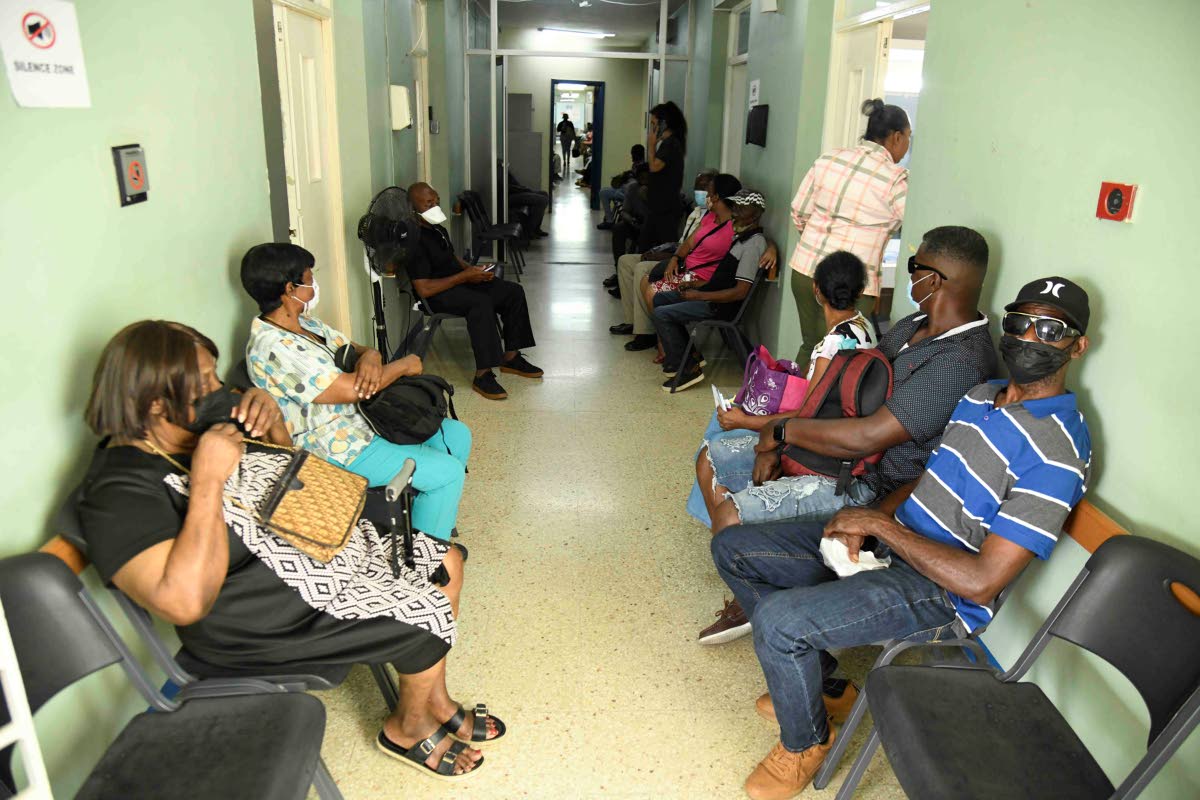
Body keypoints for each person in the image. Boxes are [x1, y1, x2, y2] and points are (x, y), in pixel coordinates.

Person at [712, 276, 1093, 799]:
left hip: (942, 589)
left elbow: (981, 582)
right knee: (735, 549)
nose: (1029, 338)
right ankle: (822, 688)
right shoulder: (982, 397)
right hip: (896, 540)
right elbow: (927, 478)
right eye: (1019, 323)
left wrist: (877, 526)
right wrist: (866, 518)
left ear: (1078, 345)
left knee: (780, 622)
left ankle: (804, 746)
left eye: (1050, 330)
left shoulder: (1058, 451)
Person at [79, 320, 501, 782]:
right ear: (156, 402)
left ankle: (434, 701)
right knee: (424, 601)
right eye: (202, 383)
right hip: (252, 614)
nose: (219, 389)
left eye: (215, 376)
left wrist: (273, 419)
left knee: (445, 562)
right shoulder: (117, 492)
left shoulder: (202, 420)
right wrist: (207, 480)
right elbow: (185, 602)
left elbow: (293, 475)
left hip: (304, 553)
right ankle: (407, 727)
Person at [697, 226, 996, 643]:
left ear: (935, 280)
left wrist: (779, 432)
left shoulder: (960, 360)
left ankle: (760, 602)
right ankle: (763, 574)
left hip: (869, 484)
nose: (908, 277)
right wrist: (786, 434)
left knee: (729, 519)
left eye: (914, 267)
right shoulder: (914, 325)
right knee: (713, 455)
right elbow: (848, 387)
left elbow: (869, 437)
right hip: (839, 456)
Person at [240, 243, 473, 542]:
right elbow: (351, 390)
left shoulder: (305, 324)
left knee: (456, 435)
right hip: (334, 446)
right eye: (309, 279)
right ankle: (432, 558)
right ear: (290, 288)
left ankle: (429, 517)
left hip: (365, 421)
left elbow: (355, 350)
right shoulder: (274, 347)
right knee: (448, 473)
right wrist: (403, 366)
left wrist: (372, 356)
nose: (314, 285)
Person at [789, 98, 910, 359]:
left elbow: (799, 211)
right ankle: (820, 401)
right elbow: (913, 225)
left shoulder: (829, 158)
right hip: (851, 284)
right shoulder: (895, 179)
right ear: (897, 137)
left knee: (811, 346)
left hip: (805, 270)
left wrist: (817, 245)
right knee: (840, 357)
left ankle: (797, 400)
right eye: (910, 137)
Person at [405, 182, 543, 400]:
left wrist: (472, 270)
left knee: (512, 291)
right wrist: (465, 277)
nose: (435, 205)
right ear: (413, 209)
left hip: (459, 281)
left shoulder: (436, 228)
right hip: (438, 294)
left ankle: (511, 357)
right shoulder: (415, 240)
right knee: (480, 303)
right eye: (428, 203)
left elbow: (451, 258)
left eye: (436, 200)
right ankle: (483, 374)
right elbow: (424, 288)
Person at [651, 189, 773, 392]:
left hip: (719, 306)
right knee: (660, 299)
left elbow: (740, 292)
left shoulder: (752, 245)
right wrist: (694, 285)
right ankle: (686, 359)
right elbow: (721, 280)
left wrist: (699, 295)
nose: (735, 213)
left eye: (741, 209)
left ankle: (688, 369)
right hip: (710, 295)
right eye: (734, 207)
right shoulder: (742, 238)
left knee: (661, 314)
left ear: (755, 215)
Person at [618, 173, 741, 354]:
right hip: (687, 269)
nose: (706, 195)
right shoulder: (709, 217)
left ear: (716, 197)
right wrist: (675, 259)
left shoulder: (734, 227)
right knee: (646, 281)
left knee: (654, 290)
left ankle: (667, 345)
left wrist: (769, 247)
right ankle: (666, 339)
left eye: (709, 192)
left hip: (701, 277)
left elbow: (756, 238)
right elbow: (689, 243)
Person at [605, 169, 716, 297]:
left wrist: (667, 256)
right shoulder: (696, 212)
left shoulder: (713, 218)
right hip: (672, 251)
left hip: (687, 267)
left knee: (642, 269)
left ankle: (647, 310)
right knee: (625, 260)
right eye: (697, 187)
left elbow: (694, 252)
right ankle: (628, 302)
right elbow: (681, 243)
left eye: (704, 187)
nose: (700, 191)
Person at [638, 101, 688, 252]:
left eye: (654, 123)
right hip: (658, 207)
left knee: (662, 249)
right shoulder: (668, 143)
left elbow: (654, 166)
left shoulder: (671, 144)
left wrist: (651, 145)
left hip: (665, 209)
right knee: (646, 247)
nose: (652, 128)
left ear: (664, 124)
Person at [606, 163, 652, 285]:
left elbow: (656, 215)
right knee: (618, 229)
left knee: (646, 234)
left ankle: (637, 275)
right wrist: (631, 220)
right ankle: (619, 271)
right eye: (641, 179)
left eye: (647, 179)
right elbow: (625, 211)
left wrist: (646, 197)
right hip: (635, 222)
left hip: (652, 227)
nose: (644, 182)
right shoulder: (632, 188)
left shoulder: (658, 191)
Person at [597, 144, 647, 230]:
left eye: (633, 154)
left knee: (620, 190)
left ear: (638, 154)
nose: (631, 156)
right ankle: (609, 219)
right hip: (624, 190)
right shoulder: (634, 165)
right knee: (603, 192)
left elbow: (635, 184)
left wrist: (629, 176)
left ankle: (609, 221)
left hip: (630, 195)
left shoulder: (643, 168)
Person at [500, 163, 550, 238]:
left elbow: (514, 184)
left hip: (516, 192)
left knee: (544, 194)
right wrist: (524, 190)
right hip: (509, 196)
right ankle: (529, 231)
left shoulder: (503, 169)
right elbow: (508, 187)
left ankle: (536, 228)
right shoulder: (498, 171)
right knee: (542, 200)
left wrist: (524, 189)